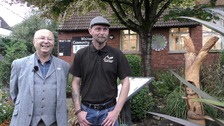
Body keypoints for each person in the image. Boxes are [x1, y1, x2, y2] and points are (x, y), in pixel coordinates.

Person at [70, 16, 132, 126]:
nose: (102, 32)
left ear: (108, 32)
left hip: (109, 113)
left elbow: (126, 82)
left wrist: (116, 112)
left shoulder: (117, 54)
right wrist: (78, 111)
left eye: (105, 29)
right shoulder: (81, 54)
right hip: (86, 112)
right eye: (98, 29)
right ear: (90, 31)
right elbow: (75, 82)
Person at [9, 29, 70, 126]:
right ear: (34, 42)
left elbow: (62, 90)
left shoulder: (64, 66)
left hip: (54, 122)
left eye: (49, 39)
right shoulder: (18, 64)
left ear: (53, 43)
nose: (46, 41)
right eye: (42, 38)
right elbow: (14, 93)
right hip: (25, 121)